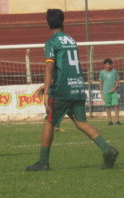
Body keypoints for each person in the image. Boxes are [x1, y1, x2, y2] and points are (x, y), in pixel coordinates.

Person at [26, 9, 118, 171]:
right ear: (63, 21)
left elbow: (49, 67)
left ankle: (43, 162)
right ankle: (107, 149)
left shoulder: (52, 42)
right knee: (81, 123)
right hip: (76, 86)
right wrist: (46, 85)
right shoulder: (71, 40)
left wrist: (47, 91)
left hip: (62, 90)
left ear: (48, 23)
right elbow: (66, 67)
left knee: (49, 122)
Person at [98, 58, 121, 125]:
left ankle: (117, 120)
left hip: (114, 92)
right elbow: (100, 82)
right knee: (107, 106)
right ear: (104, 65)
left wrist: (114, 89)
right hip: (106, 92)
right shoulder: (101, 72)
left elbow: (117, 82)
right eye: (107, 64)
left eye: (110, 64)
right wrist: (101, 93)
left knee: (116, 105)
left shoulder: (114, 71)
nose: (109, 66)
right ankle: (110, 121)